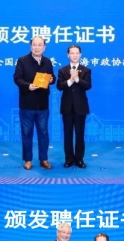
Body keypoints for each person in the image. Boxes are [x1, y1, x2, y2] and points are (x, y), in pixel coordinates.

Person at [13, 36, 55, 170]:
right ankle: (28, 160)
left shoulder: (48, 62)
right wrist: (28, 86)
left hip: (43, 104)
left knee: (43, 133)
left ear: (44, 47)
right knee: (27, 133)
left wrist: (51, 80)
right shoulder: (22, 61)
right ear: (31, 46)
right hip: (27, 103)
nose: (37, 47)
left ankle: (44, 159)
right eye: (34, 45)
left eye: (40, 45)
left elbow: (52, 78)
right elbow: (17, 78)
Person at [57, 44, 92, 169]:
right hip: (66, 107)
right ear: (68, 55)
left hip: (80, 107)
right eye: (72, 53)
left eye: (77, 53)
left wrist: (77, 79)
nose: (75, 55)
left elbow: (88, 85)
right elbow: (59, 86)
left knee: (79, 134)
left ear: (80, 54)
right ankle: (68, 159)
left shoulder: (86, 70)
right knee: (67, 135)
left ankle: (79, 159)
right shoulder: (63, 70)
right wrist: (70, 80)